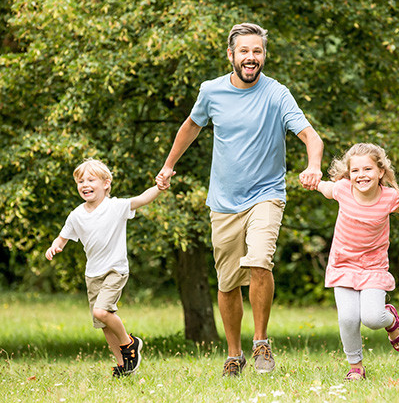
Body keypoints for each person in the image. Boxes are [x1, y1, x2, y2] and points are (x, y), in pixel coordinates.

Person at [155, 23, 323, 376]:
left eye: (257, 51)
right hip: (224, 202)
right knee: (228, 282)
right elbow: (191, 126)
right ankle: (234, 354)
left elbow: (311, 136)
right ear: (231, 55)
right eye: (244, 51)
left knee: (260, 260)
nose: (251, 58)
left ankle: (261, 342)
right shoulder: (211, 92)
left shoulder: (277, 94)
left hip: (267, 195)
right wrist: (169, 166)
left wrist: (313, 166)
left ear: (264, 56)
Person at [310, 143, 399, 381]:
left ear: (380, 172)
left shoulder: (389, 198)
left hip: (373, 267)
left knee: (373, 318)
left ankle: (391, 319)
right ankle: (356, 366)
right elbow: (324, 187)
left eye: (368, 169)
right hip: (343, 264)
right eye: (355, 171)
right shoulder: (342, 189)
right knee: (348, 318)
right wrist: (312, 180)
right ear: (348, 174)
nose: (361, 175)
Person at [46, 158, 166, 377]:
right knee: (103, 322)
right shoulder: (76, 215)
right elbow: (62, 237)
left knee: (101, 311)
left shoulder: (116, 207)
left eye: (90, 179)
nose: (84, 184)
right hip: (92, 274)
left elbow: (141, 199)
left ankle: (130, 343)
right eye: (80, 181)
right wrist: (55, 247)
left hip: (115, 269)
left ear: (106, 184)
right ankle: (124, 365)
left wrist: (158, 187)